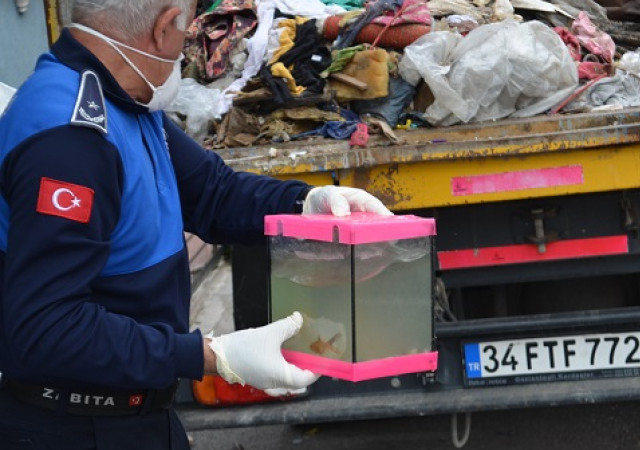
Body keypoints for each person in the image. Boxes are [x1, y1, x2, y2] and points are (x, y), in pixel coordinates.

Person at [0, 1, 392, 448]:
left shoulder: (126, 100)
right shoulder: (71, 139)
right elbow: (48, 325)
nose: (188, 43)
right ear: (166, 24)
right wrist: (212, 356)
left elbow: (212, 192)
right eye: (189, 28)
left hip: (136, 416)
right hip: (73, 427)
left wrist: (305, 204)